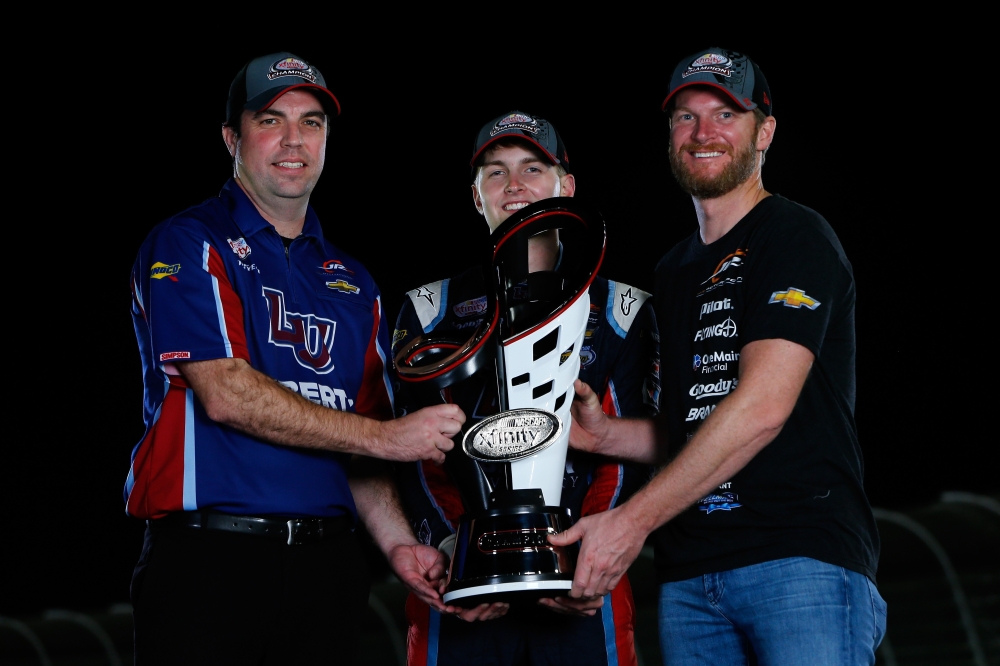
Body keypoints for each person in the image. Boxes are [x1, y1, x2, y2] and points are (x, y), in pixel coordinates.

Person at [125, 52, 466, 665]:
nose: (293, 140)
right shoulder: (187, 242)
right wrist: (390, 438)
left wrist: (395, 544)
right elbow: (226, 394)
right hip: (211, 561)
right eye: (270, 120)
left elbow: (359, 441)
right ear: (232, 137)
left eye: (311, 123)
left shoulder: (353, 282)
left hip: (327, 568)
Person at [549, 49, 887, 665]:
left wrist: (631, 522)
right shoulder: (673, 271)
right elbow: (689, 428)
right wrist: (605, 437)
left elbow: (761, 408)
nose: (704, 133)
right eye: (686, 117)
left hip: (798, 561)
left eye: (725, 114)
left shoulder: (793, 235)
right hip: (690, 579)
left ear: (765, 130)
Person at [393, 111, 660, 666]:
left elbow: (629, 450)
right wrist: (450, 550)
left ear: (565, 186)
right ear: (475, 196)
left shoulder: (620, 309)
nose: (514, 186)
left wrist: (589, 552)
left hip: (585, 584)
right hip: (460, 583)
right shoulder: (429, 309)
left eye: (532, 168)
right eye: (496, 172)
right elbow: (413, 453)